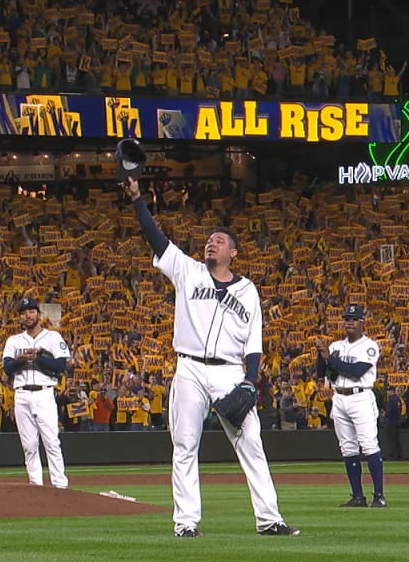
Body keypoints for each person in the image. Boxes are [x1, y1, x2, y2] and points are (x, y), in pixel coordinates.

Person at [124, 165, 299, 538]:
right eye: (209, 239)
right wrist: (138, 199)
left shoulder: (248, 290)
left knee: (251, 443)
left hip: (228, 373)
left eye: (219, 240)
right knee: (185, 445)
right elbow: (156, 239)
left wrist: (250, 383)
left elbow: (254, 343)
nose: (211, 243)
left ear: (233, 252)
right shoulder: (188, 271)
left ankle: (269, 519)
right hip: (188, 368)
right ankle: (186, 523)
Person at [314, 304, 386, 508]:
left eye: (354, 319)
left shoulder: (370, 346)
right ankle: (357, 496)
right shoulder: (336, 346)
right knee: (347, 448)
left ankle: (379, 496)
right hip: (339, 397)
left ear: (362, 322)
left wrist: (330, 359)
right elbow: (323, 373)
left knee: (369, 445)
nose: (349, 322)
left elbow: (356, 371)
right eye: (346, 318)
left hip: (360, 396)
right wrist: (321, 355)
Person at [2, 297, 71, 489]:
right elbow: (7, 367)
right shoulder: (14, 340)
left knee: (51, 441)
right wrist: (21, 359)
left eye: (31, 311)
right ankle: (35, 485)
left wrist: (38, 358)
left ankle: (60, 484)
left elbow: (61, 365)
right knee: (29, 445)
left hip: (45, 393)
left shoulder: (52, 337)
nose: (28, 315)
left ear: (39, 315)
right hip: (22, 394)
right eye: (24, 313)